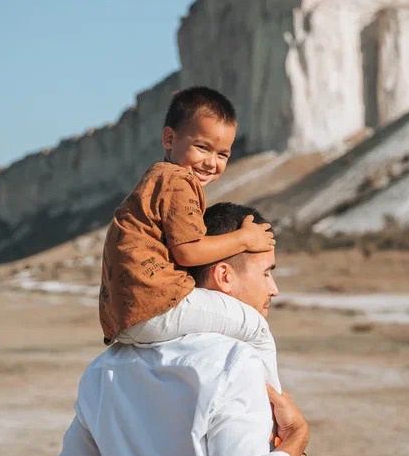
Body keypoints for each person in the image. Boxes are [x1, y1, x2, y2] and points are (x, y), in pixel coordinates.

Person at [53, 202, 311, 456]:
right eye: (267, 272)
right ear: (224, 275)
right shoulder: (235, 364)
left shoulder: (104, 370)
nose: (274, 288)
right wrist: (295, 441)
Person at [99, 85, 280, 388]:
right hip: (156, 304)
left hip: (127, 315)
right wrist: (246, 240)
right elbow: (189, 251)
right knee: (256, 328)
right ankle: (277, 412)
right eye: (202, 148)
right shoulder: (178, 181)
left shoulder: (155, 180)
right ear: (169, 139)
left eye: (222, 154)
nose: (212, 162)